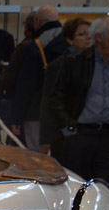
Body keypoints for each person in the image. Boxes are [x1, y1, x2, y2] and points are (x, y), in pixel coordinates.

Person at [44, 16, 109, 185]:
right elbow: (56, 98)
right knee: (75, 186)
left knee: (104, 188)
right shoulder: (74, 63)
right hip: (79, 136)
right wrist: (69, 128)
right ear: (99, 37)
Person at [7, 5, 67, 151]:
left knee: (36, 155)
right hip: (64, 111)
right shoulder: (69, 43)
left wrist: (16, 117)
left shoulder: (35, 46)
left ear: (37, 22)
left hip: (36, 110)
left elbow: (26, 84)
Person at [39, 17, 93, 147]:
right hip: (64, 132)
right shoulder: (59, 65)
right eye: (82, 34)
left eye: (90, 33)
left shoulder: (95, 64)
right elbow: (48, 102)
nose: (88, 37)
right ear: (70, 39)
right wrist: (45, 140)